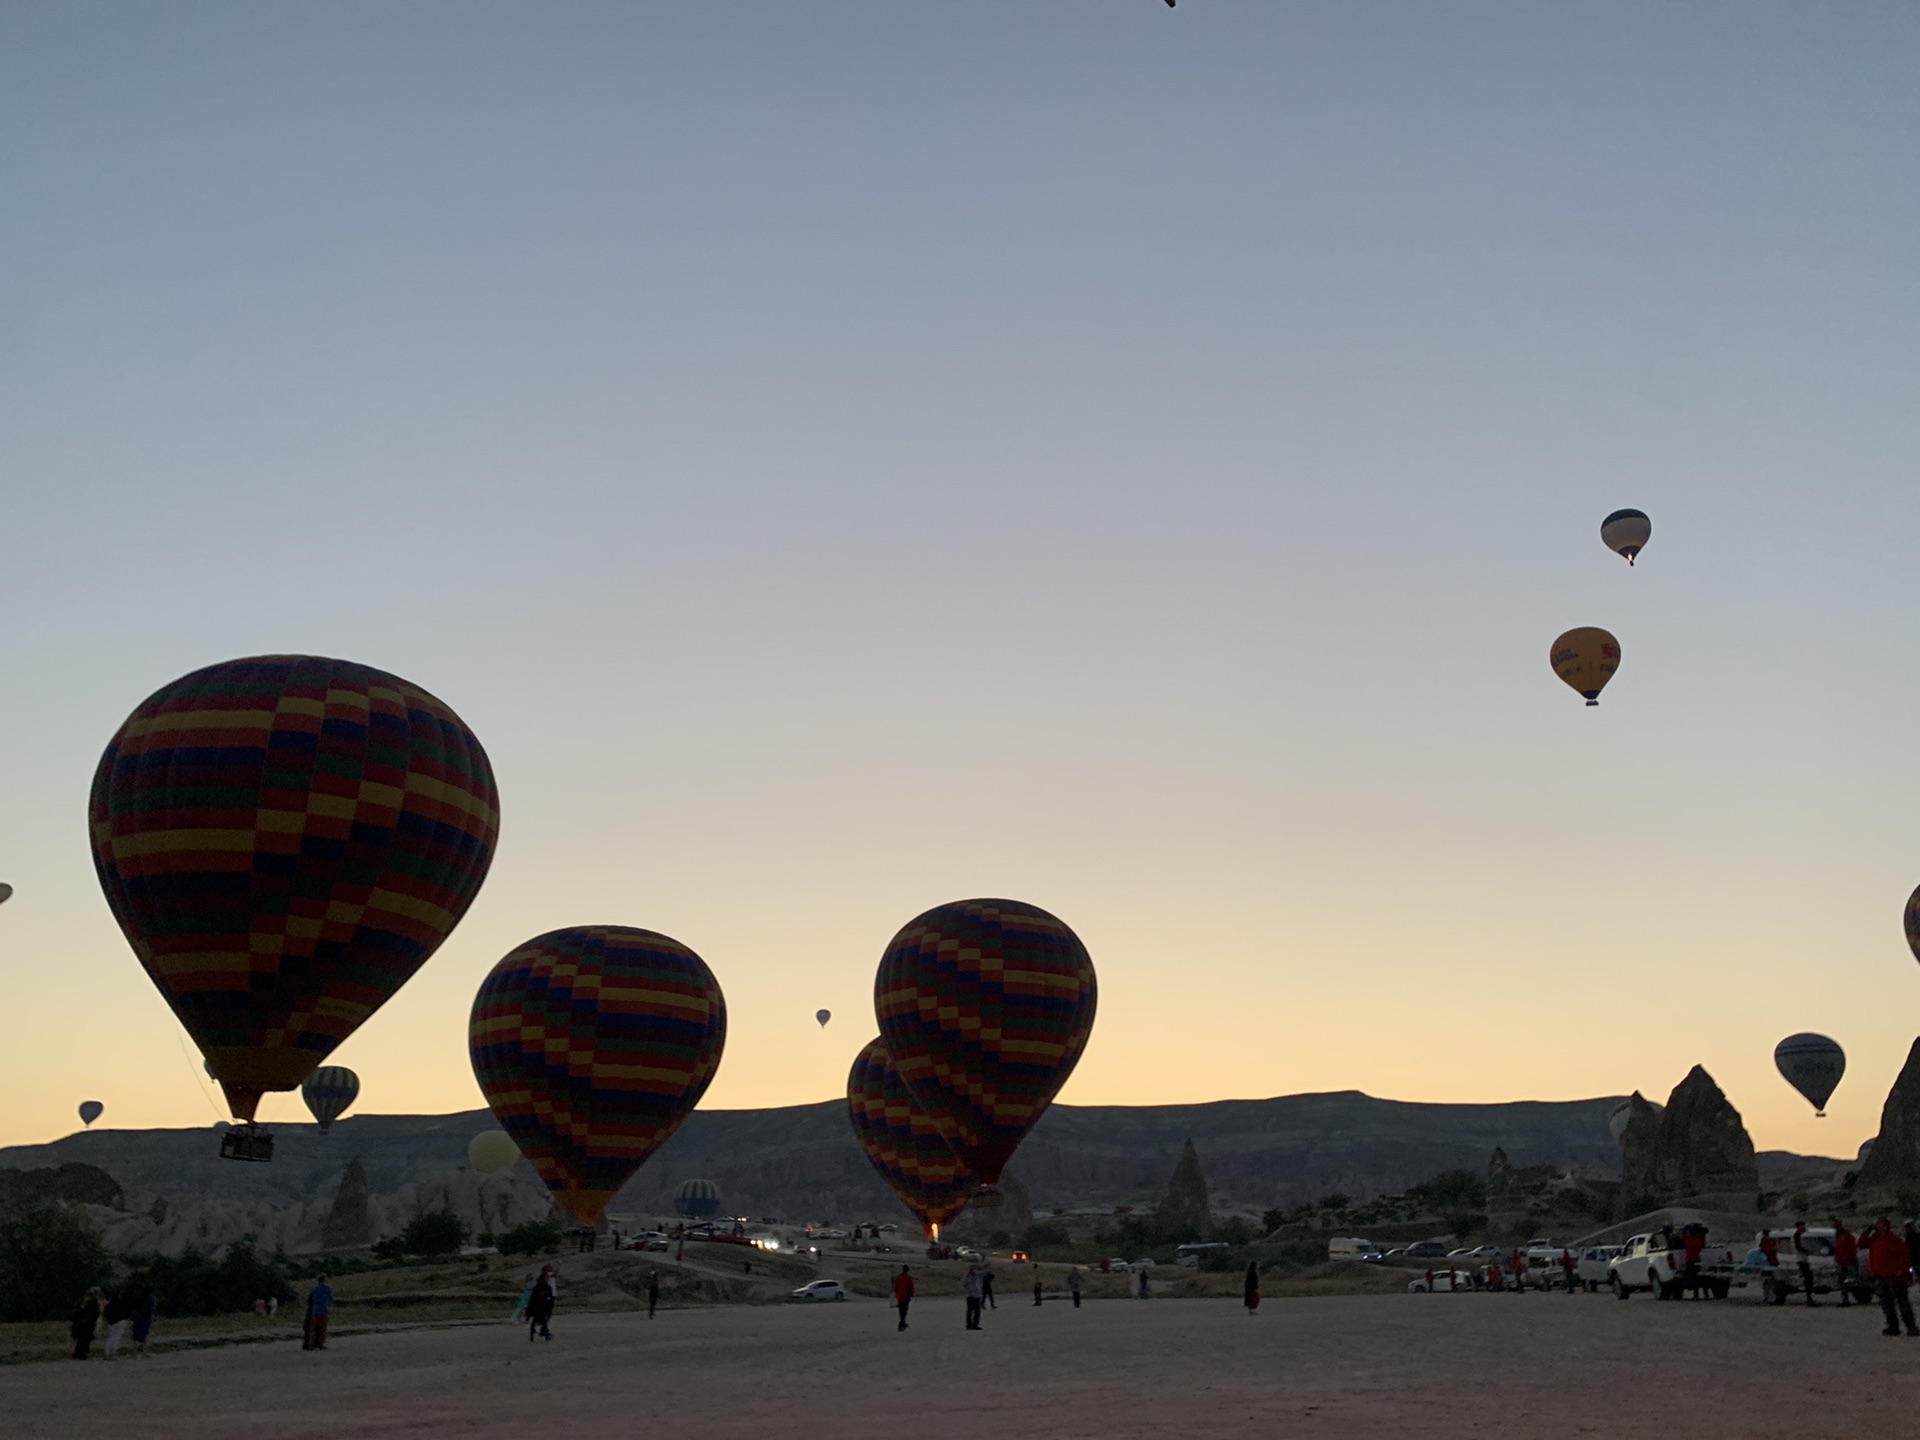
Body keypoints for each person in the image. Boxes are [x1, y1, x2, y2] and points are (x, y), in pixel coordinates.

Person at [1860, 1216, 1919, 1337]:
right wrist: (1868, 1230)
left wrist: (1900, 1271)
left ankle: (1911, 1327)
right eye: (1877, 1224)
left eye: (1880, 1224)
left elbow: (1905, 1256)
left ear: (1887, 1226)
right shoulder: (1874, 1239)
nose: (1878, 1226)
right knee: (1886, 1304)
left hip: (1894, 1277)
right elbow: (1861, 1243)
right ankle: (1893, 1326)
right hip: (1880, 1276)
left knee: (1902, 1303)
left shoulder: (1894, 1240)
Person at [1832, 1220, 1858, 1308]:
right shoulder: (1838, 1235)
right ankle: (1845, 1299)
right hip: (1841, 1261)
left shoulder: (1846, 1235)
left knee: (1846, 1281)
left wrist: (1848, 1258)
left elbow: (1852, 1248)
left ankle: (1846, 1299)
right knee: (1842, 1281)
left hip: (1847, 1261)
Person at [1791, 1221, 1818, 1306]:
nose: (1803, 1228)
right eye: (1802, 1227)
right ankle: (1809, 1299)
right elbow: (1798, 1247)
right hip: (1801, 1259)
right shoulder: (1797, 1236)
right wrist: (1808, 1251)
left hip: (1804, 1259)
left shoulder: (1801, 1235)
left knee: (1809, 1278)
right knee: (1808, 1278)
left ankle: (1809, 1298)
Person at [102, 1287, 133, 1359]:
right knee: (117, 1337)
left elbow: (106, 1314)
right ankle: (113, 1353)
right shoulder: (122, 1302)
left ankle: (106, 1353)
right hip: (121, 1321)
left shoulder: (109, 1305)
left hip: (112, 1322)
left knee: (110, 1337)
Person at [71, 1287, 101, 1360]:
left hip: (84, 1322)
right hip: (88, 1323)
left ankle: (77, 1353)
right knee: (85, 1339)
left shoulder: (86, 1301)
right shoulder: (93, 1302)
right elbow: (94, 1313)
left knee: (82, 1339)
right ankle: (82, 1354)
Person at [527, 1265, 556, 1341]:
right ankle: (533, 1332)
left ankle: (545, 1332)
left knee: (545, 1320)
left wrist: (550, 1302)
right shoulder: (537, 1287)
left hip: (545, 1307)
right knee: (536, 1320)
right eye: (546, 1277)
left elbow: (550, 1298)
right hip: (538, 1307)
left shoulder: (548, 1288)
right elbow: (534, 1298)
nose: (548, 1279)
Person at [305, 1274, 333, 1351]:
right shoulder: (327, 1288)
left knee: (312, 1329)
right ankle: (321, 1344)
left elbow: (310, 1298)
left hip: (315, 1310)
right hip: (324, 1310)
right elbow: (330, 1298)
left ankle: (311, 1344)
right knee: (323, 1329)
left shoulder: (314, 1288)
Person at [130, 1282, 157, 1356]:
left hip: (139, 1318)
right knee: (146, 1335)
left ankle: (134, 1352)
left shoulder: (140, 1297)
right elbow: (152, 1309)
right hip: (147, 1319)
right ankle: (144, 1352)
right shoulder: (151, 1299)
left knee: (136, 1336)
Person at [894, 1265, 914, 1330]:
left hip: (899, 1296)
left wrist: (896, 1294)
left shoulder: (898, 1277)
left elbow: (895, 1287)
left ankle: (902, 1322)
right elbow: (911, 1287)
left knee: (901, 1310)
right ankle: (902, 1323)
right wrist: (911, 1294)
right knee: (904, 1310)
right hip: (906, 1296)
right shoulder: (908, 1278)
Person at [963, 1266, 984, 1330]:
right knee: (970, 1311)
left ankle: (975, 1324)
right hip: (970, 1295)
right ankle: (969, 1324)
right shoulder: (967, 1277)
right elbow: (964, 1284)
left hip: (977, 1295)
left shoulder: (978, 1276)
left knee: (977, 1311)